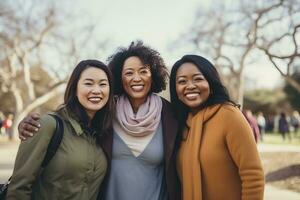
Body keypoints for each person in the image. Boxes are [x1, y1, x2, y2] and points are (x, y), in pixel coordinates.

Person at [18, 41, 181, 200]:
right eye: (129, 72)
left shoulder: (170, 114)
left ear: (153, 74)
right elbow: (72, 120)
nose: (136, 78)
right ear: (119, 77)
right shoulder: (107, 112)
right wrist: (28, 125)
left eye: (143, 71)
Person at [8, 59, 115, 200]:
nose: (96, 90)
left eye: (103, 84)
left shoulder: (102, 133)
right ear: (75, 89)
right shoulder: (48, 125)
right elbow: (18, 190)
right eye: (88, 83)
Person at [169, 55, 265, 200]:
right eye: (182, 81)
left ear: (211, 83)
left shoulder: (229, 115)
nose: (190, 86)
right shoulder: (180, 123)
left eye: (198, 79)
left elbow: (253, 175)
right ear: (176, 90)